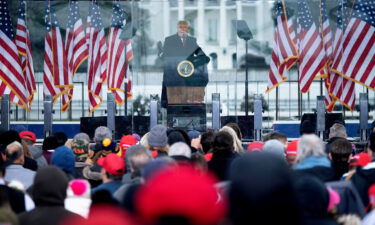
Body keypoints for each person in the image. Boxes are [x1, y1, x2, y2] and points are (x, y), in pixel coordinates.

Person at [161, 20, 210, 107]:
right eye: (181, 27)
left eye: (185, 27)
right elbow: (164, 57)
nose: (182, 29)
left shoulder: (192, 40)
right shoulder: (169, 40)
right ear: (177, 28)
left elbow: (202, 56)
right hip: (174, 78)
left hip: (189, 78)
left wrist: (201, 60)